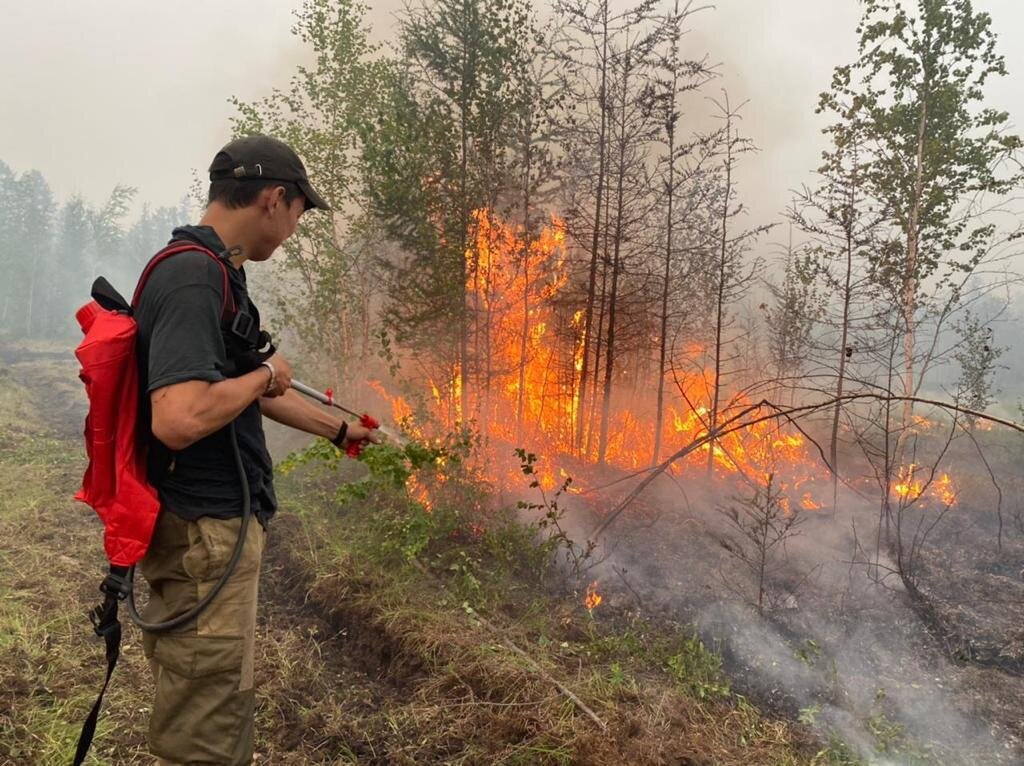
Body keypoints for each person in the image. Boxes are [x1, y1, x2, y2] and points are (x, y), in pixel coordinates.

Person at [134, 134, 379, 765]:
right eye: (299, 214)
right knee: (206, 725)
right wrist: (265, 376)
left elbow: (242, 391)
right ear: (275, 198)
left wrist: (339, 430)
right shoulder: (194, 278)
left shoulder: (220, 272)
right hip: (203, 536)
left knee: (216, 696)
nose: (294, 230)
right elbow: (181, 417)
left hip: (212, 532)